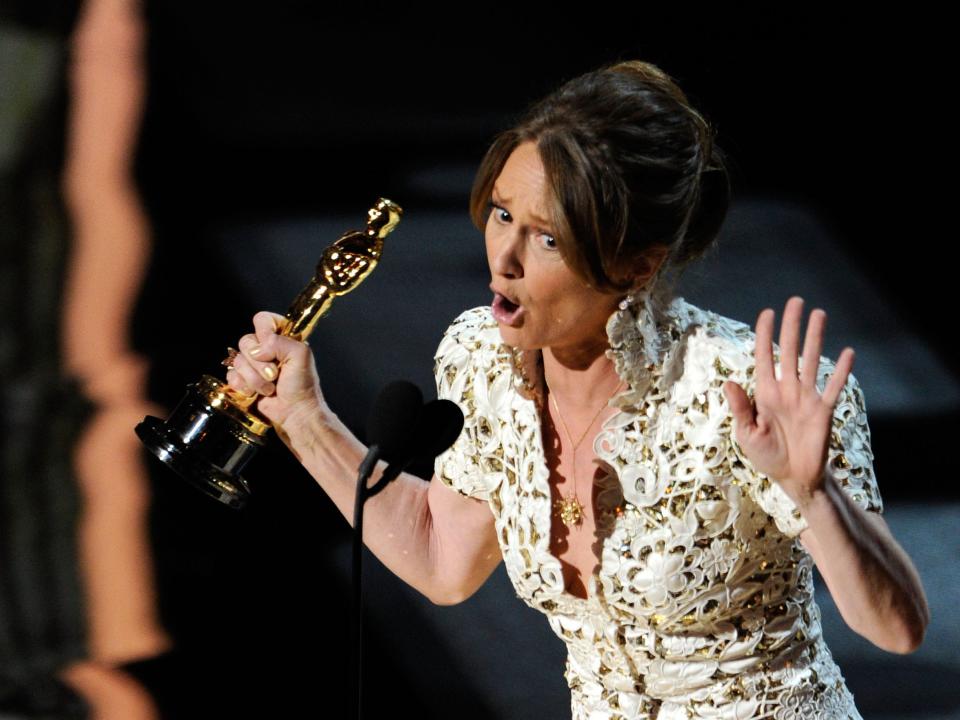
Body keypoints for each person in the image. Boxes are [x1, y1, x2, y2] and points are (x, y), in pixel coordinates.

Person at [223, 60, 929, 719]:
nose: (503, 259)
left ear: (635, 263)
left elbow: (896, 627)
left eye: (548, 240)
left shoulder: (745, 389)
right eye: (502, 214)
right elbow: (443, 558)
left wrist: (817, 494)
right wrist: (304, 420)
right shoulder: (481, 360)